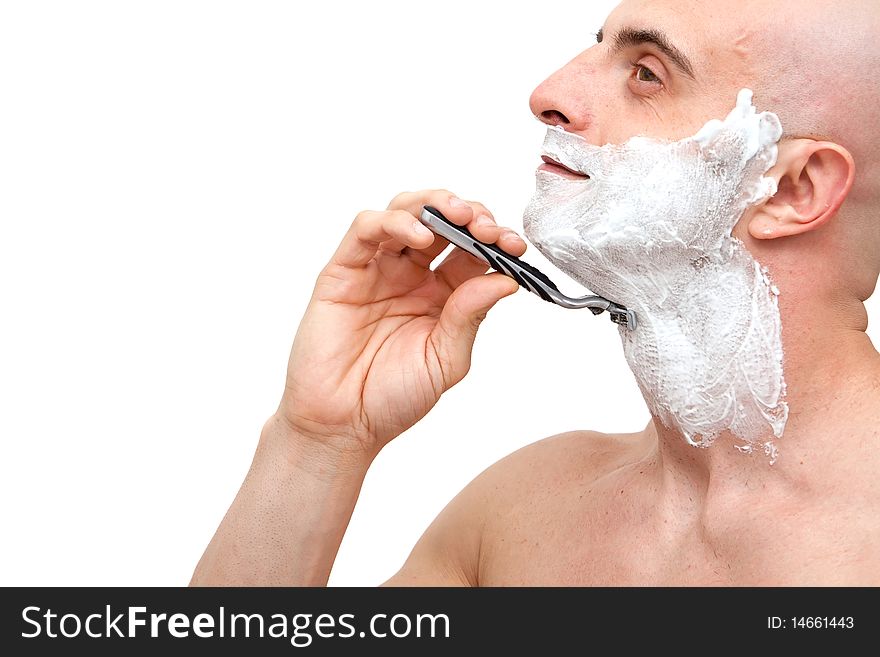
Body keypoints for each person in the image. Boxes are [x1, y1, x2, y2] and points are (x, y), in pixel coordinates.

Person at [191, 0, 880, 585]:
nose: (548, 92)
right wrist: (318, 440)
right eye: (596, 49)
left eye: (645, 73)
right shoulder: (521, 516)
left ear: (793, 190)